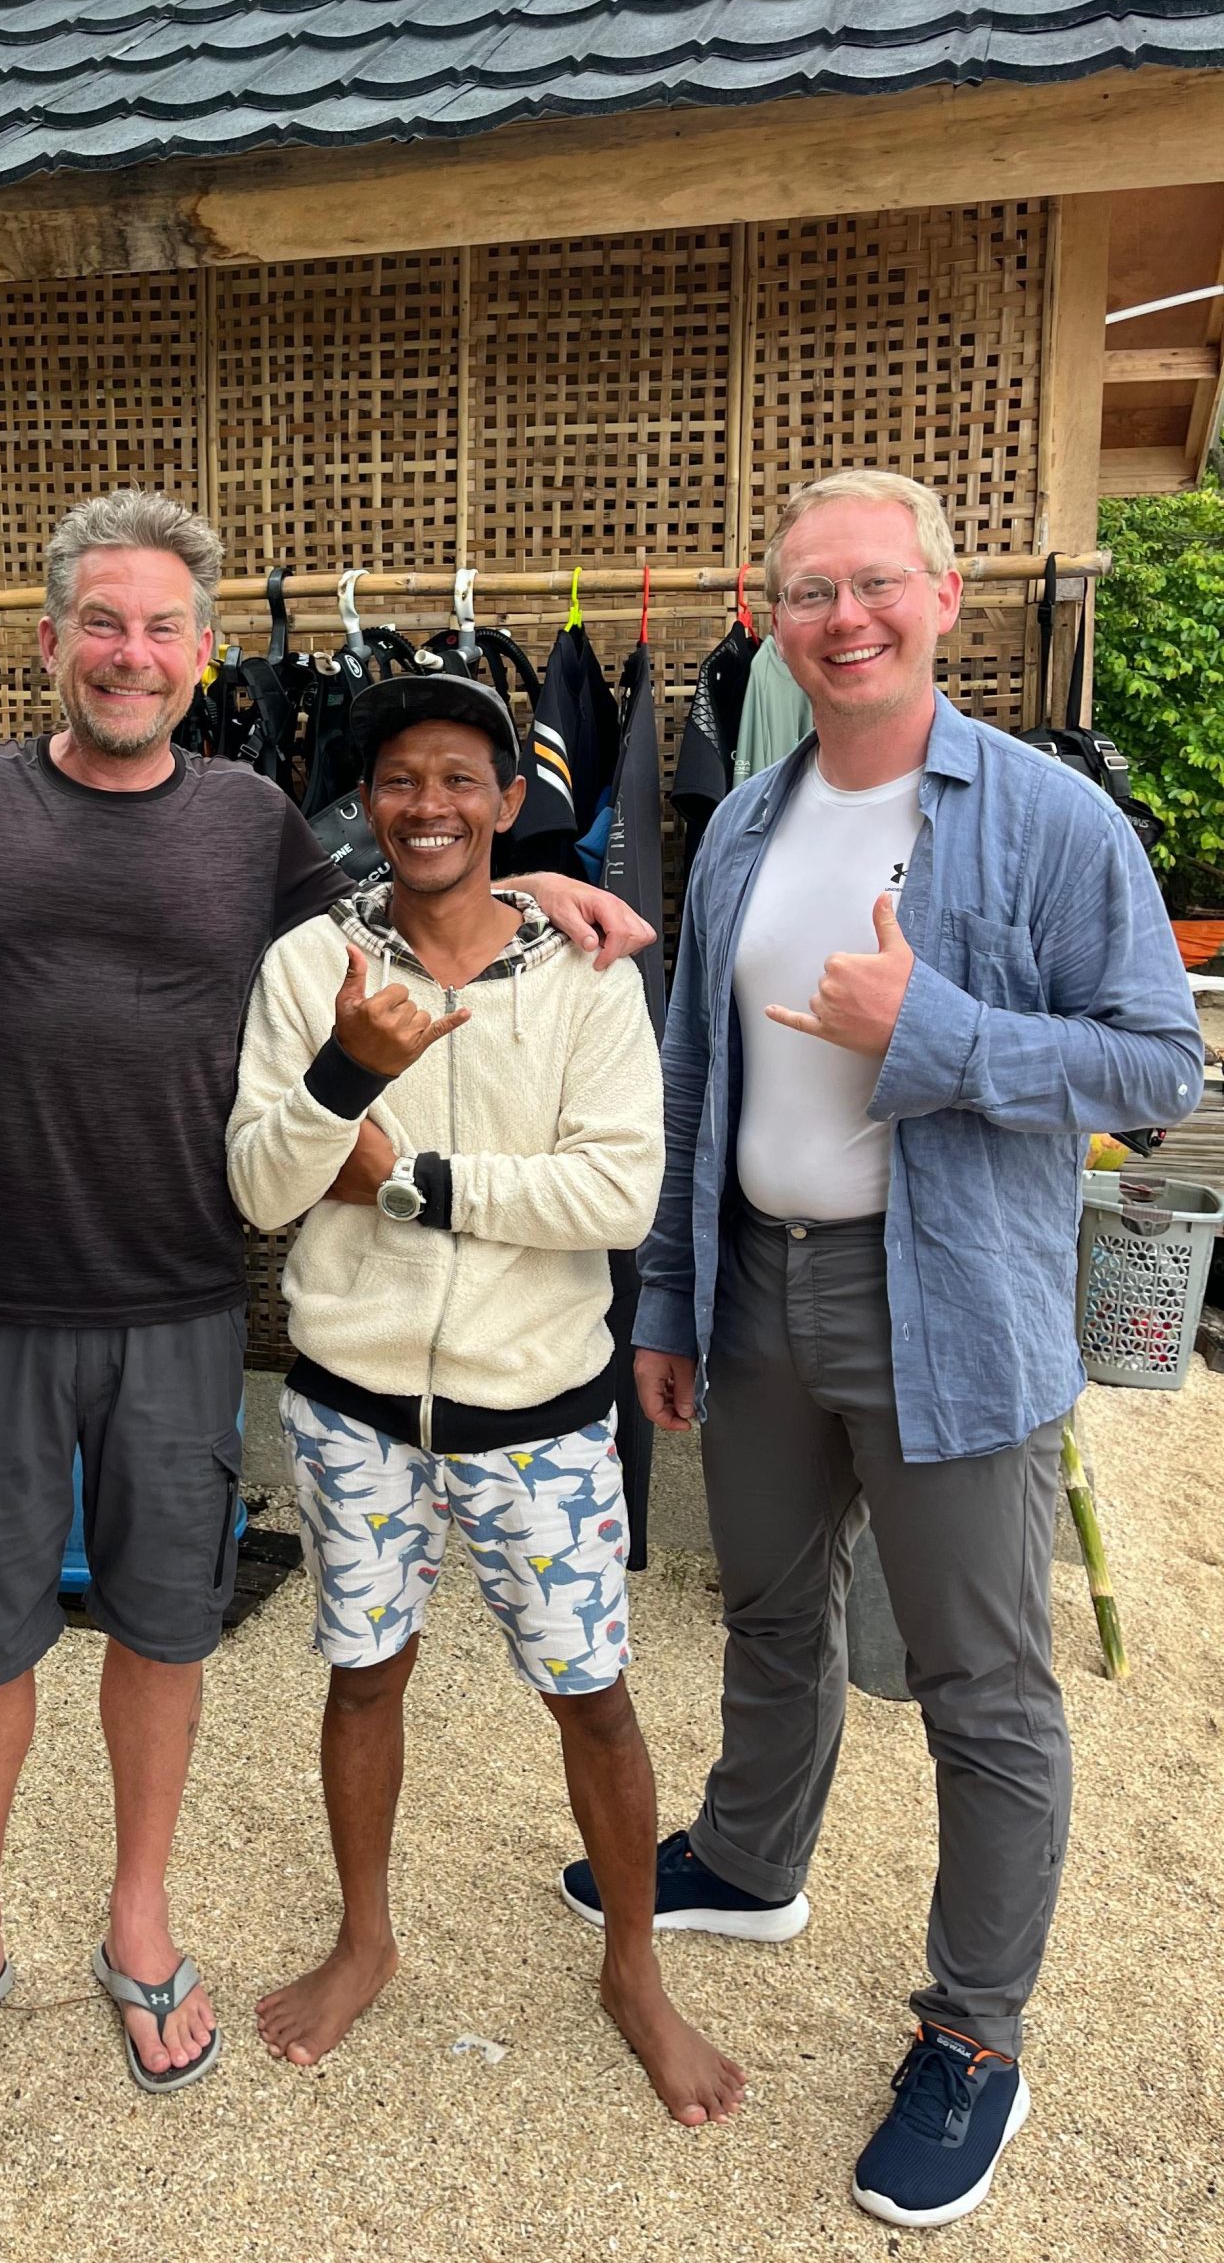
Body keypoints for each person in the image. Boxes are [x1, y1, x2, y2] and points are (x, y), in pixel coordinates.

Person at [0, 491, 654, 2111]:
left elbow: (397, 916)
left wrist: (547, 885)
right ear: (51, 640)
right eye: (101, 622)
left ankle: (140, 1919)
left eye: (160, 627)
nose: (129, 654)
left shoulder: (250, 823)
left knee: (163, 1626)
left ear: (203, 651)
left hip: (177, 1295)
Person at [559, 470, 1203, 2226]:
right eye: (808, 591)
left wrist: (940, 1029)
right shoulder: (748, 825)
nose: (844, 618)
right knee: (770, 1613)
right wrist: (672, 1300)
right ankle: (750, 1859)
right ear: (770, 617)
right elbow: (699, 1075)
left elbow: (1160, 1067)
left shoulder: (1051, 822)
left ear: (944, 592)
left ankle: (976, 2032)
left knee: (980, 1687)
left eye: (875, 585)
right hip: (757, 1291)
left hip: (953, 1303)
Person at [226, 673, 744, 2126]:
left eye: (462, 777)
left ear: (512, 803)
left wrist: (410, 1181)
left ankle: (634, 1966)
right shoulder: (311, 966)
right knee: (362, 1673)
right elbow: (260, 1188)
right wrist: (347, 1070)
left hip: (543, 1413)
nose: (429, 805)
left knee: (594, 1697)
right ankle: (365, 1939)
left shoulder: (581, 972)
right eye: (400, 778)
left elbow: (617, 1193)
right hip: (353, 1403)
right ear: (366, 802)